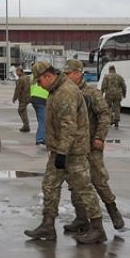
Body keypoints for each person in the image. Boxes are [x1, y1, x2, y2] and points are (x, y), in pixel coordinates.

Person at [23, 61, 107, 244]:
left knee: (84, 189)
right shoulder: (56, 90)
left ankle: (98, 229)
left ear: (48, 76)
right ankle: (48, 225)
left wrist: (62, 152)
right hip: (60, 149)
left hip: (73, 151)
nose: (39, 85)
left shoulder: (65, 92)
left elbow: (68, 125)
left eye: (39, 81)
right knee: (49, 185)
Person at [61, 59, 124, 231]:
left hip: (90, 145)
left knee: (98, 180)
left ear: (78, 73)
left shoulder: (91, 93)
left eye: (68, 74)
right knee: (75, 183)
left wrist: (99, 137)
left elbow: (105, 115)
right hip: (73, 147)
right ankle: (81, 218)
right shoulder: (65, 92)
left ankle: (113, 212)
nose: (65, 77)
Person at [30, 69, 49, 145]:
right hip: (42, 99)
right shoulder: (47, 78)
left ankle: (42, 136)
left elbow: (31, 87)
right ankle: (40, 138)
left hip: (34, 98)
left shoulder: (35, 77)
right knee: (43, 120)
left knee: (41, 119)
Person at [12, 66, 32, 132]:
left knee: (21, 111)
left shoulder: (20, 79)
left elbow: (17, 89)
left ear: (20, 71)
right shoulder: (28, 77)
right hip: (29, 96)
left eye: (17, 71)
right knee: (23, 110)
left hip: (23, 97)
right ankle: (26, 125)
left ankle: (26, 125)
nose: (16, 73)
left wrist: (14, 98)